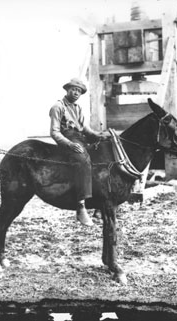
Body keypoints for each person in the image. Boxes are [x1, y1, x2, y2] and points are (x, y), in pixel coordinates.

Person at [49, 78, 109, 227]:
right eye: (73, 89)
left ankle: (99, 205)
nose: (76, 93)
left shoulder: (78, 108)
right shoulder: (58, 107)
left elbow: (85, 130)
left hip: (81, 139)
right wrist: (69, 144)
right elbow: (54, 132)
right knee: (83, 161)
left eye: (79, 91)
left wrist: (99, 136)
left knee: (102, 156)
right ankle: (80, 205)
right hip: (68, 141)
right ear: (67, 89)